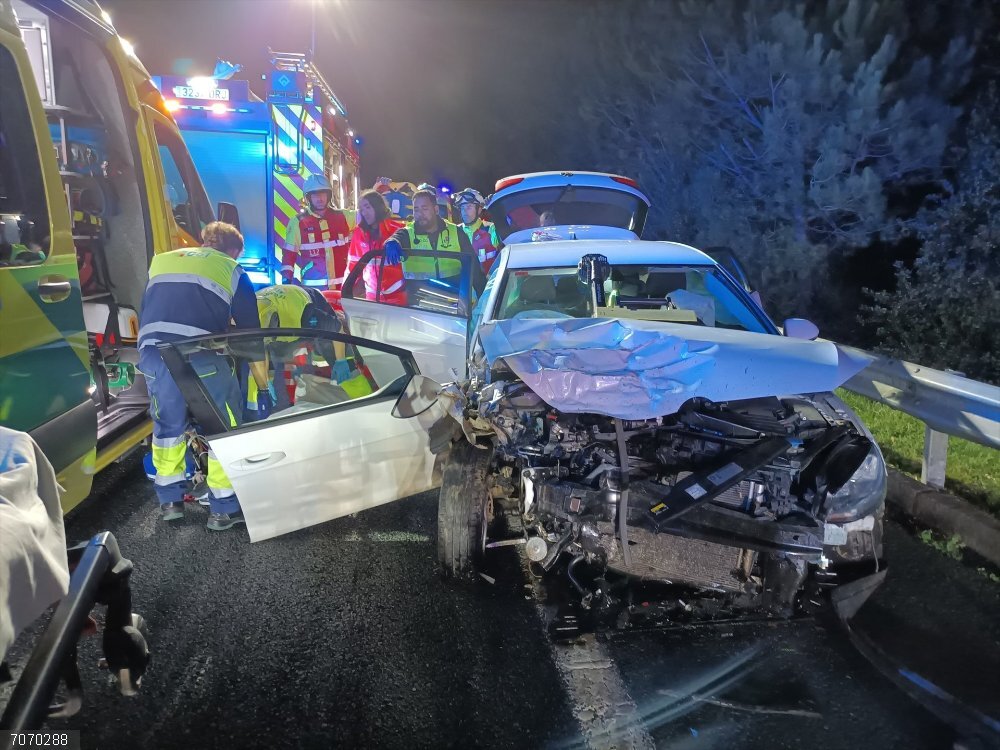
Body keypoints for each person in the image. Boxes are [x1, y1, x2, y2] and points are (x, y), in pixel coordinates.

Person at [137, 222, 268, 530]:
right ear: (234, 250)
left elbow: (155, 307)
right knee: (223, 426)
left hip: (153, 352)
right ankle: (223, 508)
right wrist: (263, 386)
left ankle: (170, 502)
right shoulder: (232, 269)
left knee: (168, 426)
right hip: (199, 352)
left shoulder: (163, 259)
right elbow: (252, 333)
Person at [382, 189, 486, 300]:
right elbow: (396, 237)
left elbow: (474, 268)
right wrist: (391, 243)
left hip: (454, 304)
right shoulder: (408, 233)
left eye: (424, 209)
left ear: (436, 210)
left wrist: (483, 300)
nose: (419, 214)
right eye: (416, 209)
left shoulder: (456, 232)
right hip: (419, 305)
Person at [281, 173, 352, 290]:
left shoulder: (343, 216)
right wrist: (286, 281)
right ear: (308, 198)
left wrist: (379, 192)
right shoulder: (298, 222)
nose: (319, 198)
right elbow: (289, 255)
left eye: (323, 194)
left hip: (342, 290)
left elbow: (369, 214)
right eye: (314, 195)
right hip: (313, 292)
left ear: (329, 195)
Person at [345, 189, 406, 304]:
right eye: (362, 209)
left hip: (397, 297)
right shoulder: (359, 233)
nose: (364, 213)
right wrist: (345, 291)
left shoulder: (398, 230)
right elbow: (352, 266)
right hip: (371, 298)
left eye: (368, 207)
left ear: (378, 207)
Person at [453, 187, 502, 275]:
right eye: (462, 207)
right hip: (465, 286)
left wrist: (496, 207)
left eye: (469, 207)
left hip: (490, 286)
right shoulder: (455, 231)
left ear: (479, 209)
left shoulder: (491, 229)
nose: (464, 211)